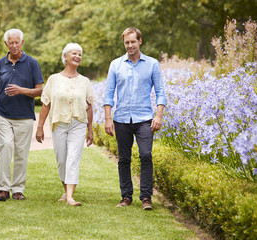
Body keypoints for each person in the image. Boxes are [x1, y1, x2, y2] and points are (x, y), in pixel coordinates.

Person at [103, 27, 167, 210]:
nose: (129, 45)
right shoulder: (116, 65)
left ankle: (146, 197)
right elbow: (108, 94)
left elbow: (161, 92)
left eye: (133, 41)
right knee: (124, 158)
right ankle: (126, 196)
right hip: (122, 118)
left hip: (145, 118)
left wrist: (159, 115)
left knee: (146, 155)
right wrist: (108, 118)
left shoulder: (152, 64)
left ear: (140, 41)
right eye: (126, 42)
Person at [35, 43, 94, 206]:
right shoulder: (54, 79)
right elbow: (45, 104)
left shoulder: (84, 81)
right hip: (59, 123)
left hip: (78, 124)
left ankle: (70, 197)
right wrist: (39, 127)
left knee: (73, 159)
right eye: (74, 53)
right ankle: (66, 190)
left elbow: (89, 106)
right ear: (65, 57)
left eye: (80, 54)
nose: (77, 56)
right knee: (62, 160)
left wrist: (90, 129)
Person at [0, 28, 43, 201]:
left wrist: (21, 90)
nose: (14, 45)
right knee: (5, 145)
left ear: (22, 43)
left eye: (16, 42)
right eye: (10, 42)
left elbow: (40, 91)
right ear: (6, 44)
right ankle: (3, 188)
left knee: (21, 152)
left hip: (25, 116)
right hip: (3, 114)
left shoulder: (32, 63)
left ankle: (17, 189)